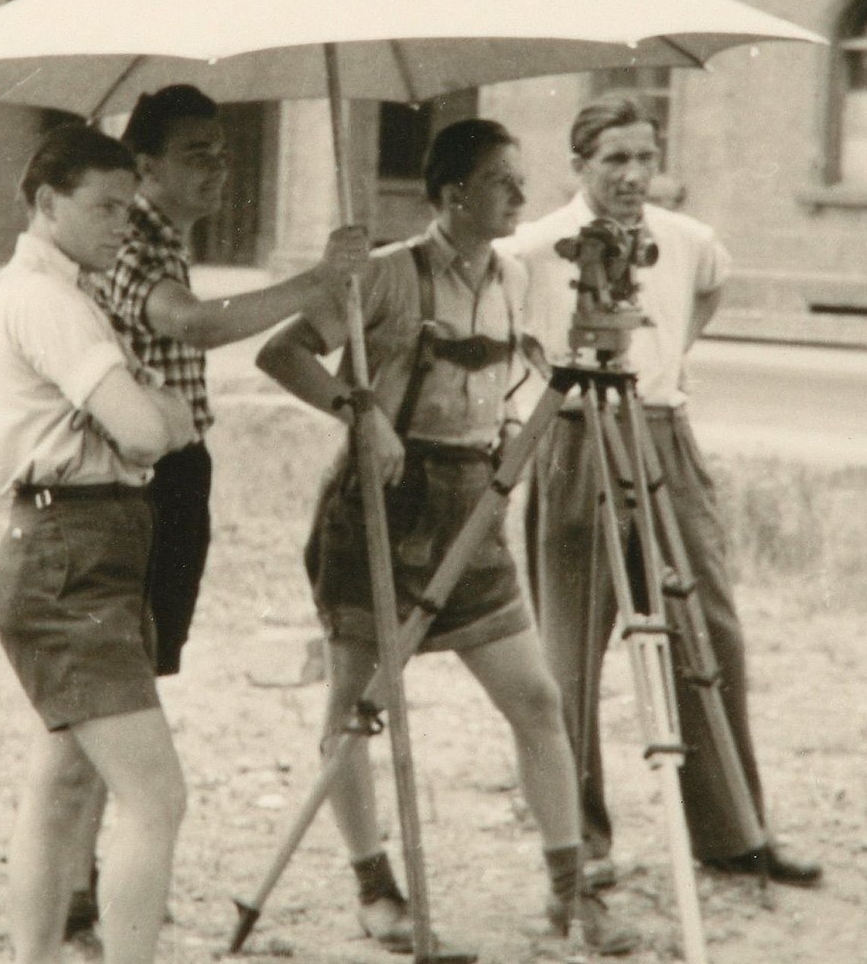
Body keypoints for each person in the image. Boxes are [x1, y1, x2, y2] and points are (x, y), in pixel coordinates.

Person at [257, 119, 638, 957]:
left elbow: (516, 368)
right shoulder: (387, 277)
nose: (521, 196)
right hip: (382, 509)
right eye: (504, 182)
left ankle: (572, 892)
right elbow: (282, 353)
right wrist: (357, 412)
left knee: (535, 700)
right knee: (358, 706)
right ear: (455, 193)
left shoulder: (509, 275)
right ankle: (376, 890)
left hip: (473, 508)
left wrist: (505, 435)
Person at [62, 86, 369, 940]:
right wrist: (314, 278)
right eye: (196, 153)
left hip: (178, 479)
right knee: (117, 696)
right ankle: (86, 886)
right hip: (141, 486)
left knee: (136, 680)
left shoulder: (167, 241)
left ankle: (95, 882)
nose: (216, 170)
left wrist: (332, 291)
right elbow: (190, 325)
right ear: (146, 165)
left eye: (224, 153)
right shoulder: (132, 246)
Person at [498, 93, 822, 891]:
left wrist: (666, 357)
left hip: (663, 435)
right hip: (574, 440)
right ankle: (580, 846)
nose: (634, 175)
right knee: (567, 652)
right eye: (615, 160)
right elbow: (510, 333)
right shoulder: (534, 247)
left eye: (646, 158)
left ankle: (734, 832)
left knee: (708, 628)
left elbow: (707, 287)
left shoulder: (685, 242)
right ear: (579, 165)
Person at [0, 122, 200, 964]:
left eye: (129, 207)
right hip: (70, 551)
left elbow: (145, 425)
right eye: (105, 208)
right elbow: (146, 429)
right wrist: (161, 416)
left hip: (77, 545)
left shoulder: (58, 292)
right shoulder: (47, 300)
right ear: (45, 203)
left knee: (65, 782)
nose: (122, 225)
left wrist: (152, 419)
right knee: (156, 799)